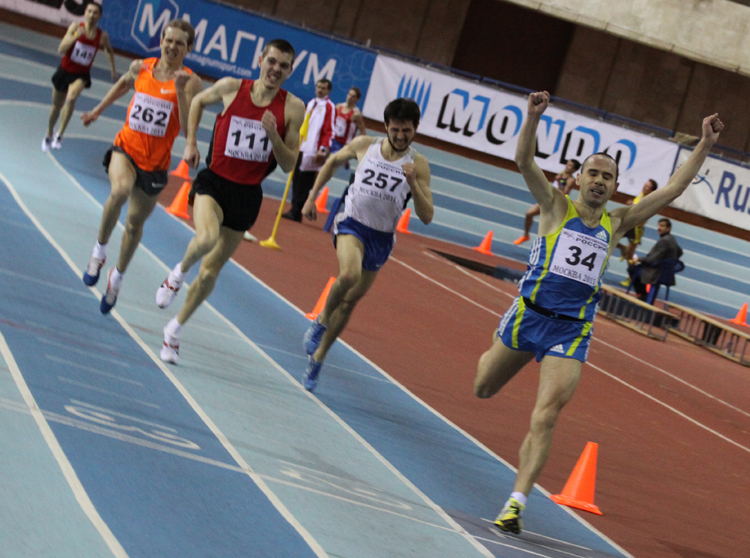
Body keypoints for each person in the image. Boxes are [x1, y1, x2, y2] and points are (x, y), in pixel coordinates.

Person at [473, 91, 722, 535]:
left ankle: (515, 502)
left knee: (547, 413)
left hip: (570, 330)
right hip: (529, 314)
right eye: (593, 173)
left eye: (609, 176)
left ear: (615, 184)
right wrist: (532, 117)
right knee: (484, 387)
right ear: (581, 177)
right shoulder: (555, 205)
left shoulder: (619, 221)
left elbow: (674, 189)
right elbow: (523, 160)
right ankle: (500, 361)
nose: (600, 181)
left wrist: (703, 143)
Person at [154, 39, 305, 365]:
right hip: (214, 182)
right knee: (206, 237)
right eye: (272, 61)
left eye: (284, 66)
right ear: (261, 59)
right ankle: (176, 275)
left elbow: (289, 163)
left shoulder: (293, 107)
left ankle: (174, 332)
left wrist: (274, 136)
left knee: (210, 274)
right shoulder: (231, 87)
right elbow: (196, 104)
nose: (276, 70)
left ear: (290, 71)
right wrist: (191, 143)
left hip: (248, 195)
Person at [299, 98, 433, 391]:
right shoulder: (364, 146)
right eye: (395, 129)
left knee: (349, 301)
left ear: (416, 129)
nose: (400, 136)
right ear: (385, 126)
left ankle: (319, 358)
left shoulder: (419, 164)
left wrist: (413, 183)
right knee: (349, 275)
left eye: (406, 131)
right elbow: (333, 161)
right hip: (352, 222)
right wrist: (312, 196)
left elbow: (426, 216)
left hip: (381, 237)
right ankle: (320, 321)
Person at [80, 20, 202, 314]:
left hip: (155, 164)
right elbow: (124, 84)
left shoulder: (191, 81)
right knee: (119, 190)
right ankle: (98, 253)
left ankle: (117, 277)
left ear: (189, 48)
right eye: (168, 40)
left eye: (179, 43)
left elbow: (187, 127)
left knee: (135, 225)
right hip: (126, 147)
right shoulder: (141, 67)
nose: (172, 46)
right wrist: (97, 111)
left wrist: (182, 98)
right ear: (161, 41)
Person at [43, 2, 117, 152]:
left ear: (100, 16)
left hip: (81, 75)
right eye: (89, 11)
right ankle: (49, 133)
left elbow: (108, 50)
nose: (91, 15)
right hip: (64, 71)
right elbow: (61, 48)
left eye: (95, 12)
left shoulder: (102, 36)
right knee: (56, 107)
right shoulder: (76, 27)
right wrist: (77, 36)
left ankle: (60, 134)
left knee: (71, 98)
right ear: (85, 13)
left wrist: (113, 69)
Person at [282, 78, 335, 222]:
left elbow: (329, 130)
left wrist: (323, 149)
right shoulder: (311, 103)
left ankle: (297, 210)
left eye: (323, 88)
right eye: (318, 87)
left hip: (313, 150)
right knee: (296, 178)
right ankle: (294, 208)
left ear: (328, 90)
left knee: (305, 182)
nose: (320, 90)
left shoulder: (329, 107)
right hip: (302, 146)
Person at [513, 158, 580, 245]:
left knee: (552, 227)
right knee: (529, 213)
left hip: (557, 204)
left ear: (574, 170)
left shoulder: (570, 181)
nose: (567, 166)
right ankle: (526, 235)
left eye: (570, 166)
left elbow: (563, 195)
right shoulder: (561, 174)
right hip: (548, 200)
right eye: (567, 164)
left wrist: (559, 182)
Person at [627, 218, 683, 301]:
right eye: (659, 225)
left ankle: (643, 295)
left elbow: (652, 259)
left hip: (657, 273)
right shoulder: (672, 239)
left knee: (632, 268)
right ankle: (644, 295)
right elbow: (680, 252)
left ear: (668, 228)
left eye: (662, 226)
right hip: (667, 274)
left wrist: (638, 259)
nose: (659, 228)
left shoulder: (664, 240)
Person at [617, 179, 658, 283]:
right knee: (610, 236)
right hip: (628, 225)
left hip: (636, 229)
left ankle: (631, 277)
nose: (644, 187)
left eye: (647, 187)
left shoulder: (649, 201)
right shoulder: (640, 195)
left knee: (629, 256)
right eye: (645, 184)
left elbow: (643, 218)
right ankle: (623, 248)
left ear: (652, 191)